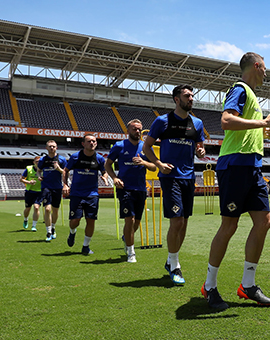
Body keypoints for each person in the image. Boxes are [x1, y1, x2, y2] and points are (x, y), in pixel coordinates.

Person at [202, 52, 270, 309]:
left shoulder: (253, 98)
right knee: (229, 227)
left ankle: (247, 285)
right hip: (234, 165)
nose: (267, 73)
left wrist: (263, 130)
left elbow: (246, 130)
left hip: (253, 167)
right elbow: (226, 121)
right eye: (265, 68)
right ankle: (209, 286)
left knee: (264, 223)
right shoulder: (240, 89)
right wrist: (262, 121)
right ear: (257, 66)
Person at [144, 84, 206, 285]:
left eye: (192, 95)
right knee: (177, 221)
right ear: (176, 99)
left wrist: (200, 152)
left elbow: (200, 146)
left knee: (184, 222)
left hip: (189, 177)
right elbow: (146, 147)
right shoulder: (162, 121)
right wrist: (159, 164)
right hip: (170, 177)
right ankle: (175, 264)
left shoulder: (197, 123)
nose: (191, 99)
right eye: (187, 95)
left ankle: (171, 260)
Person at [106, 119, 157, 263]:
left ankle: (126, 238)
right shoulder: (119, 146)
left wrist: (143, 162)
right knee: (130, 220)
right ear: (128, 130)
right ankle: (131, 252)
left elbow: (154, 167)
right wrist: (114, 178)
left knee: (136, 223)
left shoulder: (145, 147)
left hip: (140, 189)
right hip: (125, 188)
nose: (137, 131)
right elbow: (108, 164)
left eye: (139, 129)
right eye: (134, 129)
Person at [64, 134, 107, 255]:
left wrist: (105, 176)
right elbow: (65, 171)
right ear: (83, 144)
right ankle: (72, 232)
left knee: (91, 220)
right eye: (89, 141)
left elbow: (104, 171)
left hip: (92, 194)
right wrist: (65, 185)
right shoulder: (75, 157)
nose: (92, 143)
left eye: (94, 141)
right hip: (77, 193)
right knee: (75, 221)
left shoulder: (99, 159)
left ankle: (85, 246)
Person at [37, 140, 67, 240]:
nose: (52, 148)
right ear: (46, 148)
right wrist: (39, 176)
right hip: (46, 186)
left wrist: (58, 169)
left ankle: (53, 227)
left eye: (53, 146)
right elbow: (39, 170)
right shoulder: (43, 160)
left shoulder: (61, 159)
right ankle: (48, 232)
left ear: (56, 148)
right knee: (47, 209)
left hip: (57, 187)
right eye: (50, 146)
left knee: (55, 210)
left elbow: (66, 173)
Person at [20, 156, 42, 234]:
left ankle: (34, 226)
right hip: (30, 191)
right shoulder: (28, 169)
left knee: (36, 208)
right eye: (36, 161)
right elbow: (21, 179)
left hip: (39, 192)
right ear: (34, 162)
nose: (38, 163)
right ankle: (26, 219)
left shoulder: (44, 169)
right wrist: (29, 182)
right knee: (28, 208)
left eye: (40, 161)